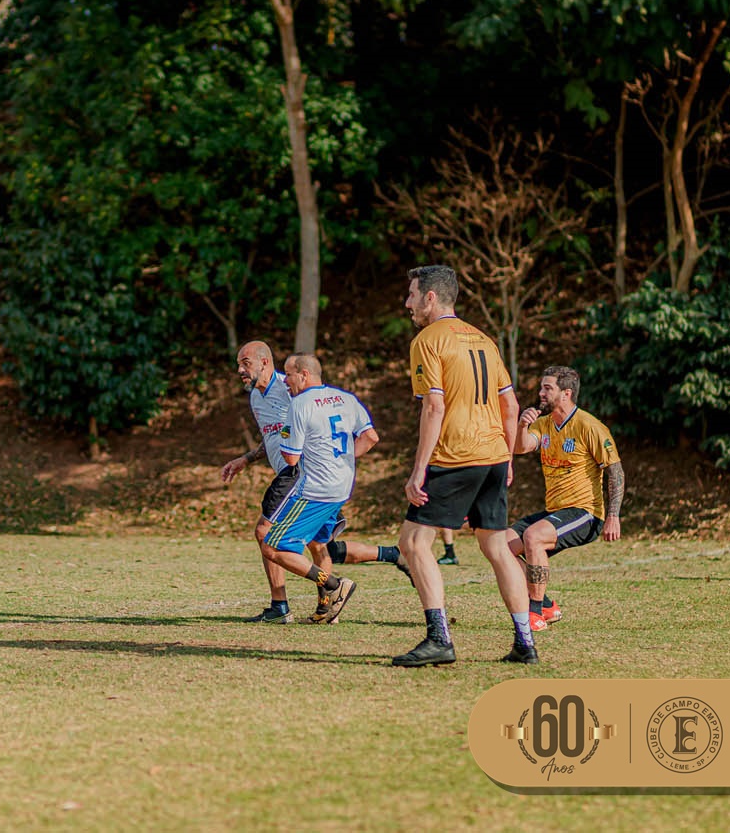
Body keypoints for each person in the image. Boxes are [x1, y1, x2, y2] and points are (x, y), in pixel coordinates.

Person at [395, 264, 537, 667]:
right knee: (496, 546)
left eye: (411, 294)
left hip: (456, 456)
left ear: (430, 297)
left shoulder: (427, 340)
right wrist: (507, 457)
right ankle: (525, 642)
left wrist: (419, 469)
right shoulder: (484, 340)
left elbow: (434, 407)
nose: (407, 303)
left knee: (413, 543)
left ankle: (439, 639)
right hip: (492, 457)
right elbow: (510, 405)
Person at [221, 341, 341, 624]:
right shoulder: (255, 397)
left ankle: (294, 601)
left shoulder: (289, 387)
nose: (240, 370)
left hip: (301, 473)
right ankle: (326, 608)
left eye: (245, 363)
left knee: (266, 533)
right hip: (289, 476)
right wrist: (246, 459)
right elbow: (272, 437)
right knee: (316, 542)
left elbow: (316, 420)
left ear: (264, 362)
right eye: (238, 364)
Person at [258, 353, 379, 624]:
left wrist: (285, 433)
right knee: (319, 543)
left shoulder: (300, 404)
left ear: (304, 375)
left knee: (272, 546)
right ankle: (325, 611)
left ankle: (335, 585)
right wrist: (342, 459)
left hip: (315, 490)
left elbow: (291, 458)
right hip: (342, 486)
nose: (285, 381)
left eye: (289, 374)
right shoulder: (346, 398)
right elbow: (370, 437)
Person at [509, 366, 624, 630]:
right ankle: (547, 605)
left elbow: (615, 471)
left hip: (585, 513)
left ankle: (534, 613)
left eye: (547, 388)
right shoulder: (544, 423)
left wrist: (613, 516)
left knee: (533, 537)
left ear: (566, 393)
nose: (541, 393)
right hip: (556, 512)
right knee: (501, 546)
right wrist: (522, 425)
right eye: (541, 387)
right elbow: (520, 447)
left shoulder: (589, 426)